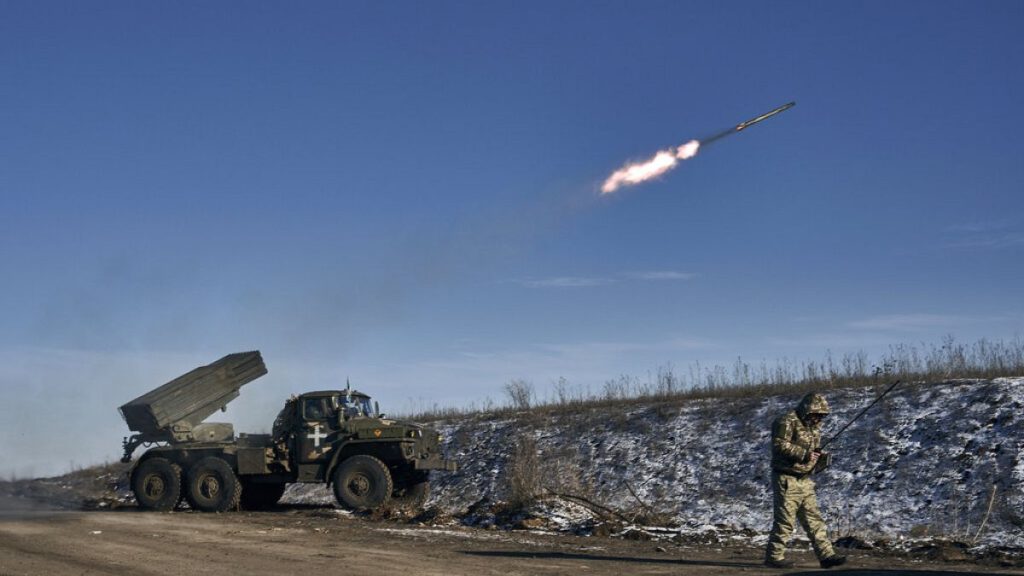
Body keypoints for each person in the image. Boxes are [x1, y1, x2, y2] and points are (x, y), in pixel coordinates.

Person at [765, 392, 847, 569]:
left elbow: (813, 448)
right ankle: (774, 557)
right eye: (817, 414)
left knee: (814, 520)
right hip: (786, 479)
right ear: (808, 410)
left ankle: (826, 556)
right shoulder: (786, 421)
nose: (819, 418)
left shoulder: (814, 427)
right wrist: (804, 454)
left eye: (822, 415)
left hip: (805, 479)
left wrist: (818, 457)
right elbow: (779, 445)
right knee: (785, 521)